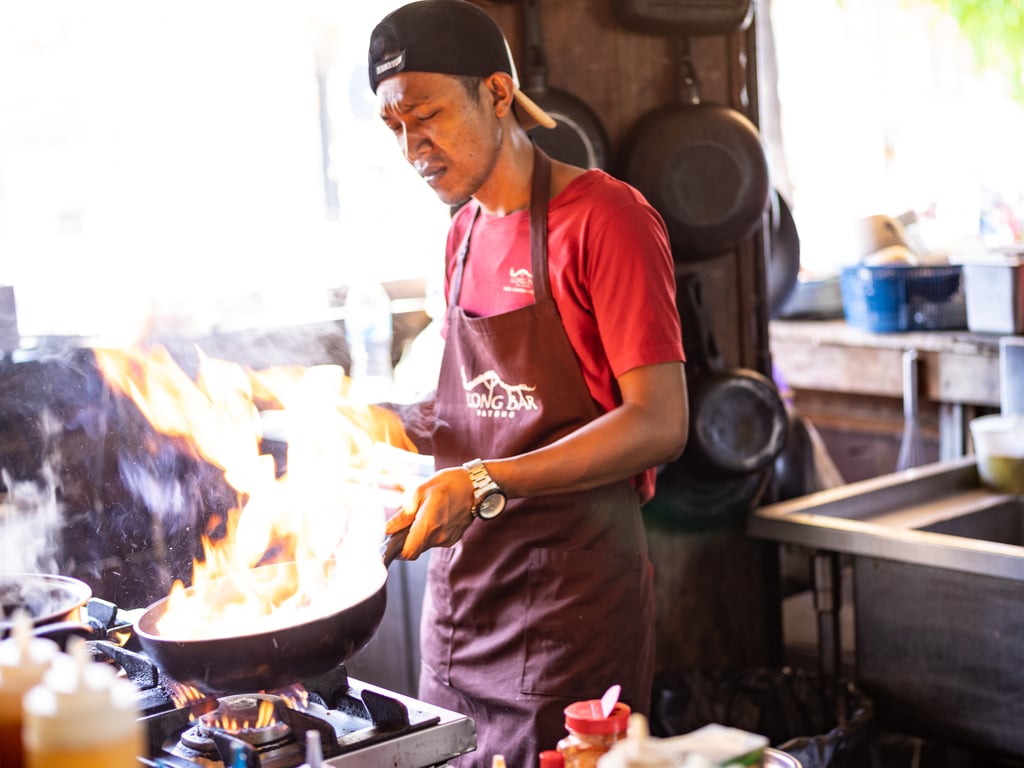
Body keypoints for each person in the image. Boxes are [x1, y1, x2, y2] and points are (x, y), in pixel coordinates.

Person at [367, 1, 688, 765]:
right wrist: (376, 423)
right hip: (460, 610)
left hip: (568, 610)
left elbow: (658, 423)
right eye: (396, 129)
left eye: (429, 116)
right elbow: (480, 410)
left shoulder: (606, 219)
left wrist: (483, 480)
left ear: (498, 93)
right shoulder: (461, 234)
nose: (414, 147)